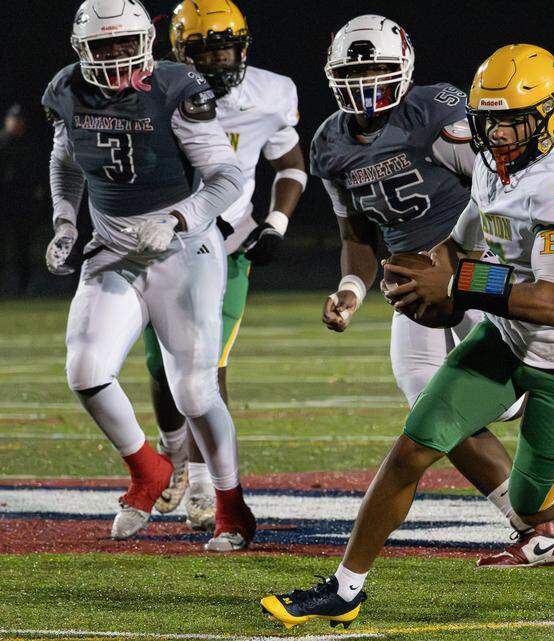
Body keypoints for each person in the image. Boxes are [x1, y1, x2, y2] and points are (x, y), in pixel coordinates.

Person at [260, 43, 554, 629]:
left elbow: (550, 304)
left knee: (538, 504)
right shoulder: (491, 163)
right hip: (503, 340)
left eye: (512, 120)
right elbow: (460, 240)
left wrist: (457, 285)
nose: (498, 133)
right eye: (488, 120)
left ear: (552, 115)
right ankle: (346, 588)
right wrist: (419, 273)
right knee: (412, 448)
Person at [307, 15, 554, 568]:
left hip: (489, 267)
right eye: (355, 70)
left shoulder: (439, 112)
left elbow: (508, 197)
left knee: (515, 401)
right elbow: (358, 237)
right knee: (429, 411)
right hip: (425, 278)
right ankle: (534, 530)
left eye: (377, 68)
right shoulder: (328, 143)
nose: (366, 82)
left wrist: (459, 278)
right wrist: (352, 289)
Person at [43, 0, 253, 551]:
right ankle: (147, 469)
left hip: (185, 248)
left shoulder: (177, 87)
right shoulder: (67, 89)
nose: (115, 56)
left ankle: (233, 507)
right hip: (113, 245)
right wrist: (65, 221)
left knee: (192, 390)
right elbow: (64, 163)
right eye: (102, 46)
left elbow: (227, 177)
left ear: (146, 40)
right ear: (81, 49)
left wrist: (178, 216)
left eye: (122, 43)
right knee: (86, 369)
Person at [140, 0, 307, 533]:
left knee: (206, 366)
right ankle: (175, 461)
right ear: (178, 52)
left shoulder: (271, 94)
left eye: (225, 48)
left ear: (244, 46)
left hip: (226, 243)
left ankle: (209, 482)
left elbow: (289, 163)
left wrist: (277, 222)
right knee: (160, 371)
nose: (216, 62)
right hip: (159, 245)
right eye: (203, 52)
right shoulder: (149, 90)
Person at [1, 104, 42, 296]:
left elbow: (36, 176)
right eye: (13, 119)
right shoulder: (2, 143)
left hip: (23, 204)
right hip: (4, 203)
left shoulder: (29, 146)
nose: (16, 123)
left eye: (19, 120)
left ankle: (22, 288)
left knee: (22, 248)